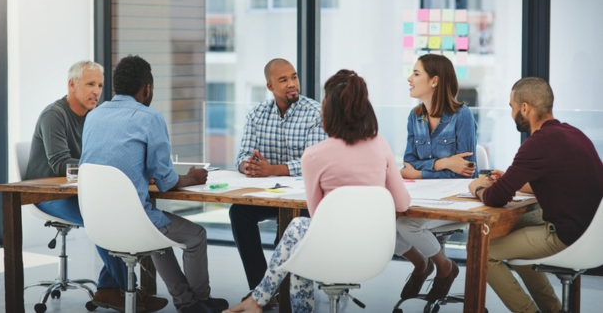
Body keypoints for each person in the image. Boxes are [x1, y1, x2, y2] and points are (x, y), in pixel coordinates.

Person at [223, 69, 411, 313]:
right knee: (300, 246)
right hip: (376, 251)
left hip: (329, 250)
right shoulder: (381, 144)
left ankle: (258, 299)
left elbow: (315, 214)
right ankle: (258, 299)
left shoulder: (314, 156)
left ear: (328, 108)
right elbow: (402, 204)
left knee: (300, 232)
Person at [80, 55, 229, 313]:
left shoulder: (93, 116)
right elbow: (166, 182)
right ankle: (200, 300)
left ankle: (186, 303)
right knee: (196, 236)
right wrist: (192, 177)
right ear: (147, 88)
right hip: (135, 222)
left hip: (96, 224)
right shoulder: (150, 117)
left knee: (158, 238)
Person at [26, 60, 167, 312]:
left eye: (100, 85)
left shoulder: (95, 115)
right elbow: (60, 163)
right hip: (48, 195)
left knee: (120, 214)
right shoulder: (54, 115)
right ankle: (128, 293)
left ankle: (109, 290)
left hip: (84, 192)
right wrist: (110, 168)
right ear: (72, 85)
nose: (97, 91)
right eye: (90, 84)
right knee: (104, 218)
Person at [468, 77, 603, 313]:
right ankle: (553, 310)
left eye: (511, 107)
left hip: (570, 236)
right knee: (515, 235)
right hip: (593, 234)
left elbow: (494, 198)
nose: (511, 114)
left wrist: (477, 188)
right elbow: (556, 182)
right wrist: (512, 181)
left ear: (524, 108)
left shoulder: (537, 143)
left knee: (483, 253)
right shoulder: (572, 133)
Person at [229, 58, 326, 302]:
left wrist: (272, 169)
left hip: (305, 199)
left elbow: (313, 163)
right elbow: (242, 154)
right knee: (238, 213)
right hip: (270, 195)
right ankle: (261, 291)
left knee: (286, 232)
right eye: (283, 80)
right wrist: (247, 165)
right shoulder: (257, 115)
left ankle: (281, 296)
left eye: (294, 77)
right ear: (270, 86)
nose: (292, 84)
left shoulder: (315, 114)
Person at [393, 54, 478, 302]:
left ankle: (444, 266)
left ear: (435, 81)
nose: (409, 78)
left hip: (453, 200)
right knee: (382, 224)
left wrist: (420, 172)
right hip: (420, 197)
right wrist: (442, 163)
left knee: (406, 225)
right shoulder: (415, 116)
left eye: (416, 73)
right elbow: (409, 161)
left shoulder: (461, 116)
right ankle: (421, 264)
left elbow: (465, 171)